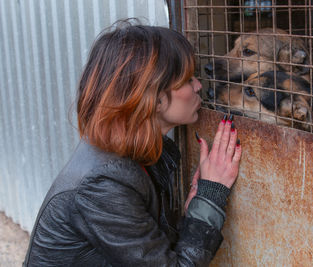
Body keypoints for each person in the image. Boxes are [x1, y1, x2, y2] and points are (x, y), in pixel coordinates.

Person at [24, 19, 242, 266]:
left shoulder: (130, 155)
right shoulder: (104, 185)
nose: (199, 86)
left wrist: (193, 213)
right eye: (187, 80)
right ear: (155, 99)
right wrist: (211, 196)